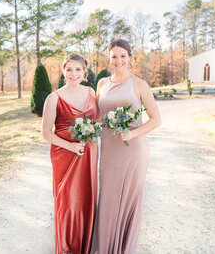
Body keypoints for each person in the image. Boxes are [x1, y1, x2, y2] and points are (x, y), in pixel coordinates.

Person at [91, 39, 162, 254]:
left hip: (134, 150)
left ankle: (122, 248)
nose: (118, 60)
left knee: (128, 200)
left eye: (123, 56)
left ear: (130, 57)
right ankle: (104, 247)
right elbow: (97, 117)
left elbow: (155, 119)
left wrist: (132, 133)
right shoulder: (102, 84)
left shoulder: (139, 84)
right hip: (110, 152)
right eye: (114, 56)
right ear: (108, 59)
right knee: (108, 198)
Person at [42, 53, 98, 254]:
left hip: (89, 156)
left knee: (85, 198)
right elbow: (46, 133)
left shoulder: (92, 93)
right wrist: (72, 147)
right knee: (67, 202)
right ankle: (66, 249)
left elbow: (97, 121)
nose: (73, 73)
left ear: (85, 72)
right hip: (65, 156)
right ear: (63, 72)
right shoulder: (54, 98)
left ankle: (86, 246)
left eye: (78, 69)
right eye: (69, 69)